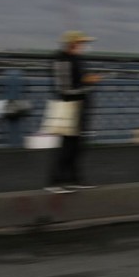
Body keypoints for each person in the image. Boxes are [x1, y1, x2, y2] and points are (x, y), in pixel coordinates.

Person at [46, 30, 101, 194]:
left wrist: (87, 82)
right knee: (67, 146)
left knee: (77, 146)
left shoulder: (76, 59)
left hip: (80, 107)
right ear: (73, 44)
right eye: (82, 43)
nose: (84, 46)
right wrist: (88, 85)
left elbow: (78, 82)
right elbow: (64, 90)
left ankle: (75, 179)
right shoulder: (62, 60)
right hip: (68, 108)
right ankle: (55, 182)